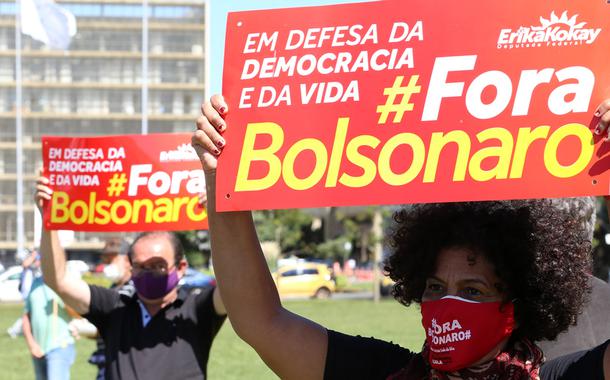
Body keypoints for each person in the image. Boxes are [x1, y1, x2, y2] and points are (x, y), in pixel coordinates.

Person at [191, 94, 610, 379]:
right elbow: (261, 322)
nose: (448, 303)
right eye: (434, 286)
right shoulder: (385, 371)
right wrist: (220, 177)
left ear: (516, 306)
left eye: (472, 289)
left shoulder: (557, 375)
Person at [34, 184, 227, 380]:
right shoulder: (115, 307)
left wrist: (220, 218)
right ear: (130, 267)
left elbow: (234, 287)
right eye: (140, 266)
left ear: (181, 267)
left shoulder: (197, 309)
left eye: (158, 265)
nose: (148, 272)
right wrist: (48, 219)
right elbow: (58, 279)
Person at [87, 237, 135, 380]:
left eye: (111, 260)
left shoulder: (133, 289)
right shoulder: (113, 288)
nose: (107, 265)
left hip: (122, 358)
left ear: (127, 261)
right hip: (105, 357)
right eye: (105, 259)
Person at [22, 275, 76, 380]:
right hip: (38, 348)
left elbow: (78, 313)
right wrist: (32, 344)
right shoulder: (35, 283)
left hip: (60, 345)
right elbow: (26, 317)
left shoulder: (65, 282)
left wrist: (64, 299)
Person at [7, 250, 41, 338]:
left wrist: (37, 257)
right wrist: (34, 256)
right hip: (28, 292)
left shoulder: (32, 264)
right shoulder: (26, 263)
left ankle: (28, 331)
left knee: (33, 313)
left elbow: (38, 264)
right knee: (29, 313)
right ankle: (14, 330)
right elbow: (25, 264)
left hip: (33, 291)